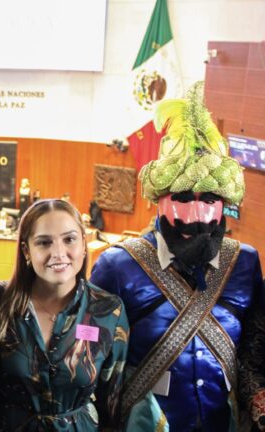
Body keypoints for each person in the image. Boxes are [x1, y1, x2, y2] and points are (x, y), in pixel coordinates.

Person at [89, 82, 265, 431]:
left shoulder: (245, 262)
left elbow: (255, 346)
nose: (197, 212)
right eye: (183, 197)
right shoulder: (117, 265)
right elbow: (88, 340)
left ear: (224, 204)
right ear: (160, 199)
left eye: (210, 199)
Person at [0, 199, 129, 430]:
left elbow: (113, 400)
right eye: (44, 243)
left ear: (84, 244)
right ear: (26, 250)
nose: (58, 253)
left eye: (69, 239)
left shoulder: (108, 310)